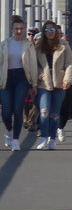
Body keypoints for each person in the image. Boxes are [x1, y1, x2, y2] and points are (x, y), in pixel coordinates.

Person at [33, 22, 72, 150]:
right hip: (43, 83)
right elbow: (34, 64)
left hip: (59, 82)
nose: (49, 32)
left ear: (56, 31)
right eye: (47, 30)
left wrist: (68, 79)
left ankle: (52, 138)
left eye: (52, 30)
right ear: (43, 32)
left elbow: (69, 64)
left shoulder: (64, 45)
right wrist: (39, 75)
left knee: (55, 113)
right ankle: (43, 137)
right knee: (44, 111)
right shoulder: (38, 46)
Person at [1, 15, 38, 152]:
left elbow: (33, 65)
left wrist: (34, 84)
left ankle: (16, 140)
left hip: (22, 77)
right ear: (12, 29)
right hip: (6, 77)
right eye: (16, 29)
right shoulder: (5, 44)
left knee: (17, 109)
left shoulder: (28, 45)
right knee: (5, 111)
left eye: (21, 29)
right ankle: (9, 130)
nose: (19, 31)